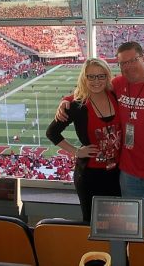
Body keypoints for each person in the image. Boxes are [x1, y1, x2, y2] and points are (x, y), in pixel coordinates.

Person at [56, 42, 144, 224]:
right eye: (123, 63)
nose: (128, 66)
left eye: (133, 60)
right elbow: (93, 89)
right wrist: (66, 100)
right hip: (128, 173)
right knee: (132, 225)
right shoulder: (118, 84)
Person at [46, 58, 122, 222]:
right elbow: (52, 132)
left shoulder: (115, 96)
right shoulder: (77, 105)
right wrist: (76, 151)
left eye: (101, 76)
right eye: (91, 77)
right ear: (84, 78)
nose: (96, 81)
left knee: (116, 222)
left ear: (108, 76)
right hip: (90, 174)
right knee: (92, 222)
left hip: (116, 173)